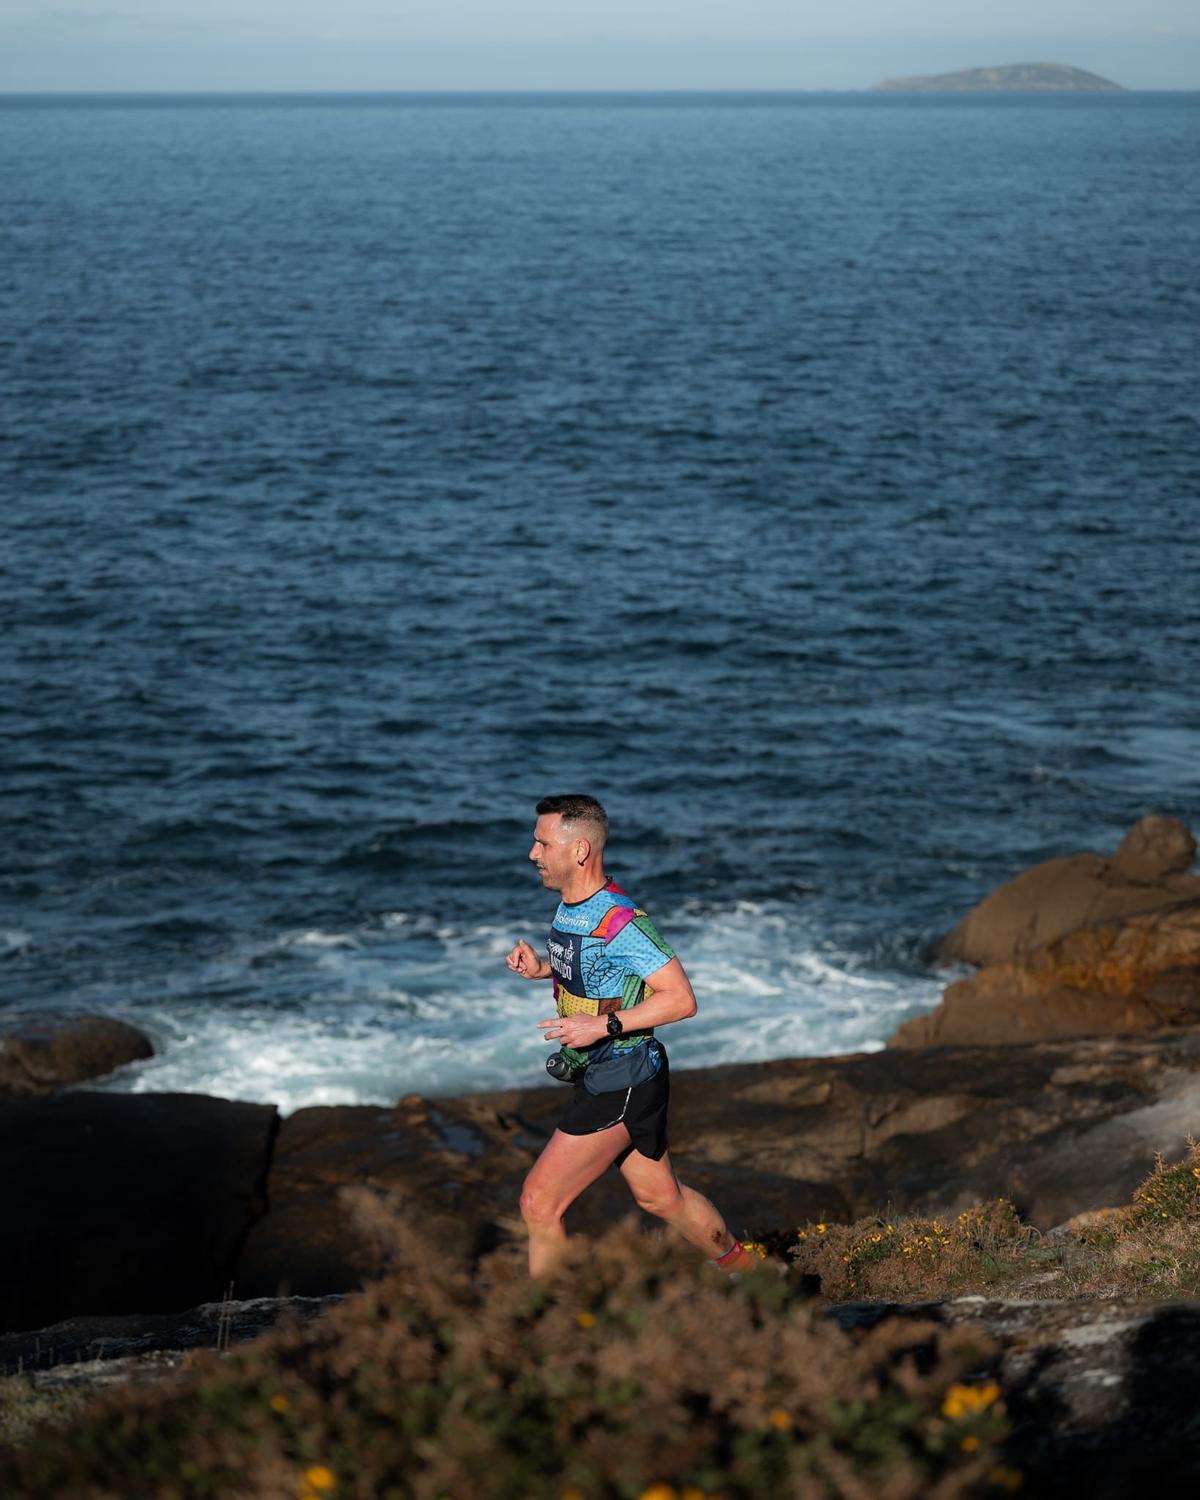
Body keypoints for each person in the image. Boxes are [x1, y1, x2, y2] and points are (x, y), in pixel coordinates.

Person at [505, 794, 755, 1279]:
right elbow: (603, 979)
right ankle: (756, 1275)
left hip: (622, 1078)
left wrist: (601, 1027)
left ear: (579, 850)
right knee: (662, 1198)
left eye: (541, 843)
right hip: (611, 1074)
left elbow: (681, 999)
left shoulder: (622, 923)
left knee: (538, 1202)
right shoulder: (573, 908)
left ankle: (549, 1328)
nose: (533, 853)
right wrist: (541, 969)